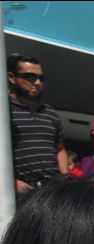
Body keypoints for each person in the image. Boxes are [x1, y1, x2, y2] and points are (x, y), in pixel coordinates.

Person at [7, 54, 68, 196]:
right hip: (19, 195)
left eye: (41, 78)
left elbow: (60, 149)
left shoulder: (50, 113)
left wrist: (65, 176)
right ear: (11, 77)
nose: (38, 82)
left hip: (53, 193)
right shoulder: (4, 112)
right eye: (30, 76)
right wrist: (12, 183)